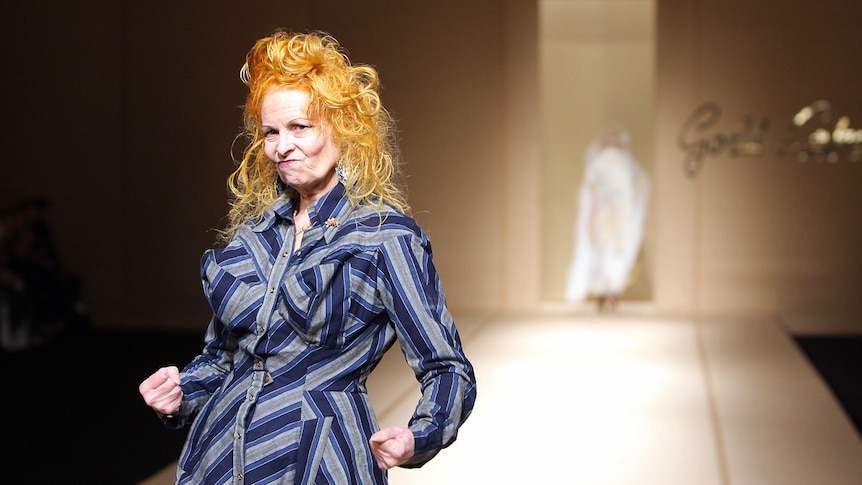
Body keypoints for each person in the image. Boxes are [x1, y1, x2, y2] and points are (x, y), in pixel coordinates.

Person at [138, 31, 476, 484]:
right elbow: (222, 359)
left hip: (319, 461)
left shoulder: (384, 237)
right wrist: (179, 393)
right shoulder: (254, 236)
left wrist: (419, 436)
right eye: (271, 133)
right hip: (218, 459)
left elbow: (446, 366)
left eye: (300, 127)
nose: (282, 147)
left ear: (344, 127)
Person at [564, 124, 650, 312]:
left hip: (611, 216)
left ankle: (607, 291)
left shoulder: (609, 162)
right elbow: (638, 187)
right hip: (615, 216)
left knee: (608, 251)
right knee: (613, 251)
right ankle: (609, 291)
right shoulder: (621, 162)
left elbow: (592, 191)